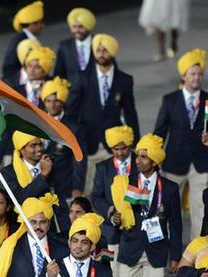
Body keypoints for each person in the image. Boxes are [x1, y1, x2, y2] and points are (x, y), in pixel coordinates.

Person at [115, 134, 182, 277]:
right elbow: (117, 210)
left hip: (156, 251)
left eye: (144, 157)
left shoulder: (170, 188)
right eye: (138, 156)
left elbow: (176, 224)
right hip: (130, 248)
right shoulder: (125, 181)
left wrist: (176, 256)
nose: (138, 160)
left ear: (154, 161)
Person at [154, 48, 208, 241]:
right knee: (171, 208)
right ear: (183, 76)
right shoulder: (170, 100)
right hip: (174, 162)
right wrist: (155, 157)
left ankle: (194, 249)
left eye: (199, 74)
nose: (197, 78)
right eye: (193, 74)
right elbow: (160, 132)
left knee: (199, 209)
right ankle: (172, 247)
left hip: (201, 162)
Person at [67, 34, 140, 197]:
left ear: (113, 53)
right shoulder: (83, 77)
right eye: (98, 50)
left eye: (105, 50)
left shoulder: (124, 80)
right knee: (86, 190)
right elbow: (71, 108)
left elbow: (130, 112)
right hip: (88, 142)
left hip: (114, 145)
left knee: (112, 190)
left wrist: (135, 141)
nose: (101, 54)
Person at [92, 125, 137, 277]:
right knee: (113, 275)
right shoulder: (102, 168)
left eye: (123, 148)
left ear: (130, 145)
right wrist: (110, 212)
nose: (119, 153)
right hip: (111, 233)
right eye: (115, 149)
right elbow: (96, 197)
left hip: (135, 233)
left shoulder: (141, 165)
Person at [41, 77, 87, 199]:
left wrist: (77, 187)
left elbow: (79, 160)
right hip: (40, 183)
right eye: (48, 101)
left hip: (63, 184)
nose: (52, 104)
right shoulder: (37, 121)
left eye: (56, 101)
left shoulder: (74, 128)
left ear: (62, 102)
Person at [2, 1, 44, 83]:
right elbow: (9, 68)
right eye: (40, 23)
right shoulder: (20, 40)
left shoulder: (25, 38)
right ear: (32, 24)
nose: (42, 26)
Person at [54, 8, 96, 86]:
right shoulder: (64, 46)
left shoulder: (99, 43)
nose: (77, 30)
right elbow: (58, 74)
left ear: (88, 26)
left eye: (81, 27)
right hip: (72, 94)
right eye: (74, 27)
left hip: (95, 94)